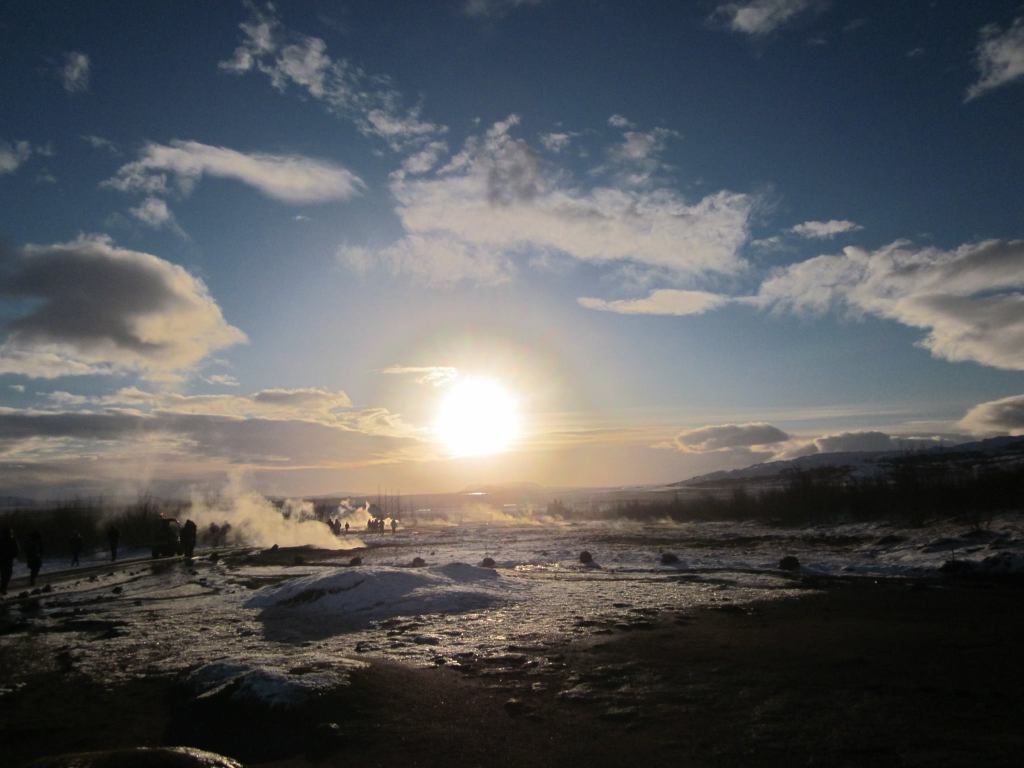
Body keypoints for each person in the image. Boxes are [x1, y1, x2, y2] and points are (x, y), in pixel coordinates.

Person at [0, 527, 18, 595]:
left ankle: (3, 588)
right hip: (6, 560)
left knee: (6, 575)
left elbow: (16, 550)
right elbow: (16, 550)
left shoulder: (10, 540)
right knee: (6, 575)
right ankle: (3, 588)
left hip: (6, 559)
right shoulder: (11, 540)